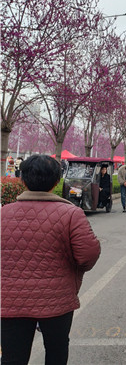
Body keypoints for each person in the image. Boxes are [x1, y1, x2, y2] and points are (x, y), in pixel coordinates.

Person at [1, 155, 101, 364]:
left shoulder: (3, 213)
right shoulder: (72, 214)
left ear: (22, 180)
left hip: (10, 300)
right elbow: (88, 255)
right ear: (56, 182)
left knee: (13, 356)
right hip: (58, 300)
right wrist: (75, 270)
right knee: (56, 351)